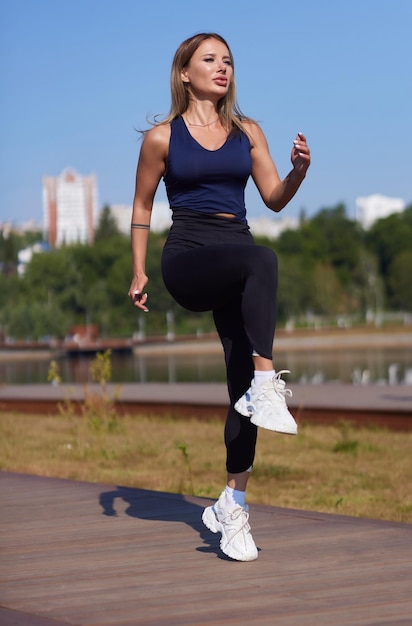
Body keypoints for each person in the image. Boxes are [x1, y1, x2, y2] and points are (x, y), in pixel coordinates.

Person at [128, 33, 311, 561]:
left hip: (238, 259)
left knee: (239, 387)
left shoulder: (247, 131)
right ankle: (266, 378)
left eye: (228, 60)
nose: (222, 67)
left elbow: (274, 198)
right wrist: (138, 270)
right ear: (184, 72)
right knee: (265, 260)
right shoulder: (162, 138)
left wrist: (298, 171)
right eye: (210, 60)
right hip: (187, 259)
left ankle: (233, 503)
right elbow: (141, 205)